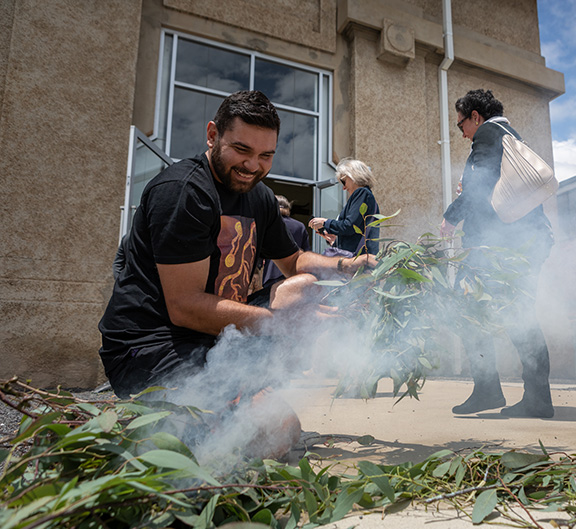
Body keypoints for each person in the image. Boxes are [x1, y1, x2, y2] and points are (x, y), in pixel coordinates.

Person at [99, 90, 373, 399]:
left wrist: (348, 265)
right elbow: (184, 308)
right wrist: (281, 325)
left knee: (304, 285)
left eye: (266, 155)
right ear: (213, 135)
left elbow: (294, 262)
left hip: (215, 335)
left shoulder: (260, 197)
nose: (253, 165)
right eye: (242, 149)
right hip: (151, 344)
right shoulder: (183, 191)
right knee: (275, 429)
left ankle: (240, 393)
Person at [441, 89, 555, 418]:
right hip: (521, 244)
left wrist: (450, 218)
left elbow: (479, 188)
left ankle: (503, 392)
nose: (461, 133)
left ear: (475, 116)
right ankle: (518, 394)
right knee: (508, 313)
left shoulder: (489, 134)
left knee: (481, 311)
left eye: (461, 124)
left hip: (504, 249)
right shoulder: (507, 136)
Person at [307, 158, 380, 255]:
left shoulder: (362, 193)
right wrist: (335, 241)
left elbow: (349, 226)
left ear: (353, 175)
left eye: (343, 181)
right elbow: (353, 229)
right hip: (360, 258)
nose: (344, 188)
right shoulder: (366, 195)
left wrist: (325, 222)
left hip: (358, 260)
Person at [255, 195, 311, 299]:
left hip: (271, 274)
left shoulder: (268, 224)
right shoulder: (300, 226)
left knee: (272, 308)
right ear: (288, 208)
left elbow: (258, 248)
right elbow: (306, 251)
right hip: (293, 276)